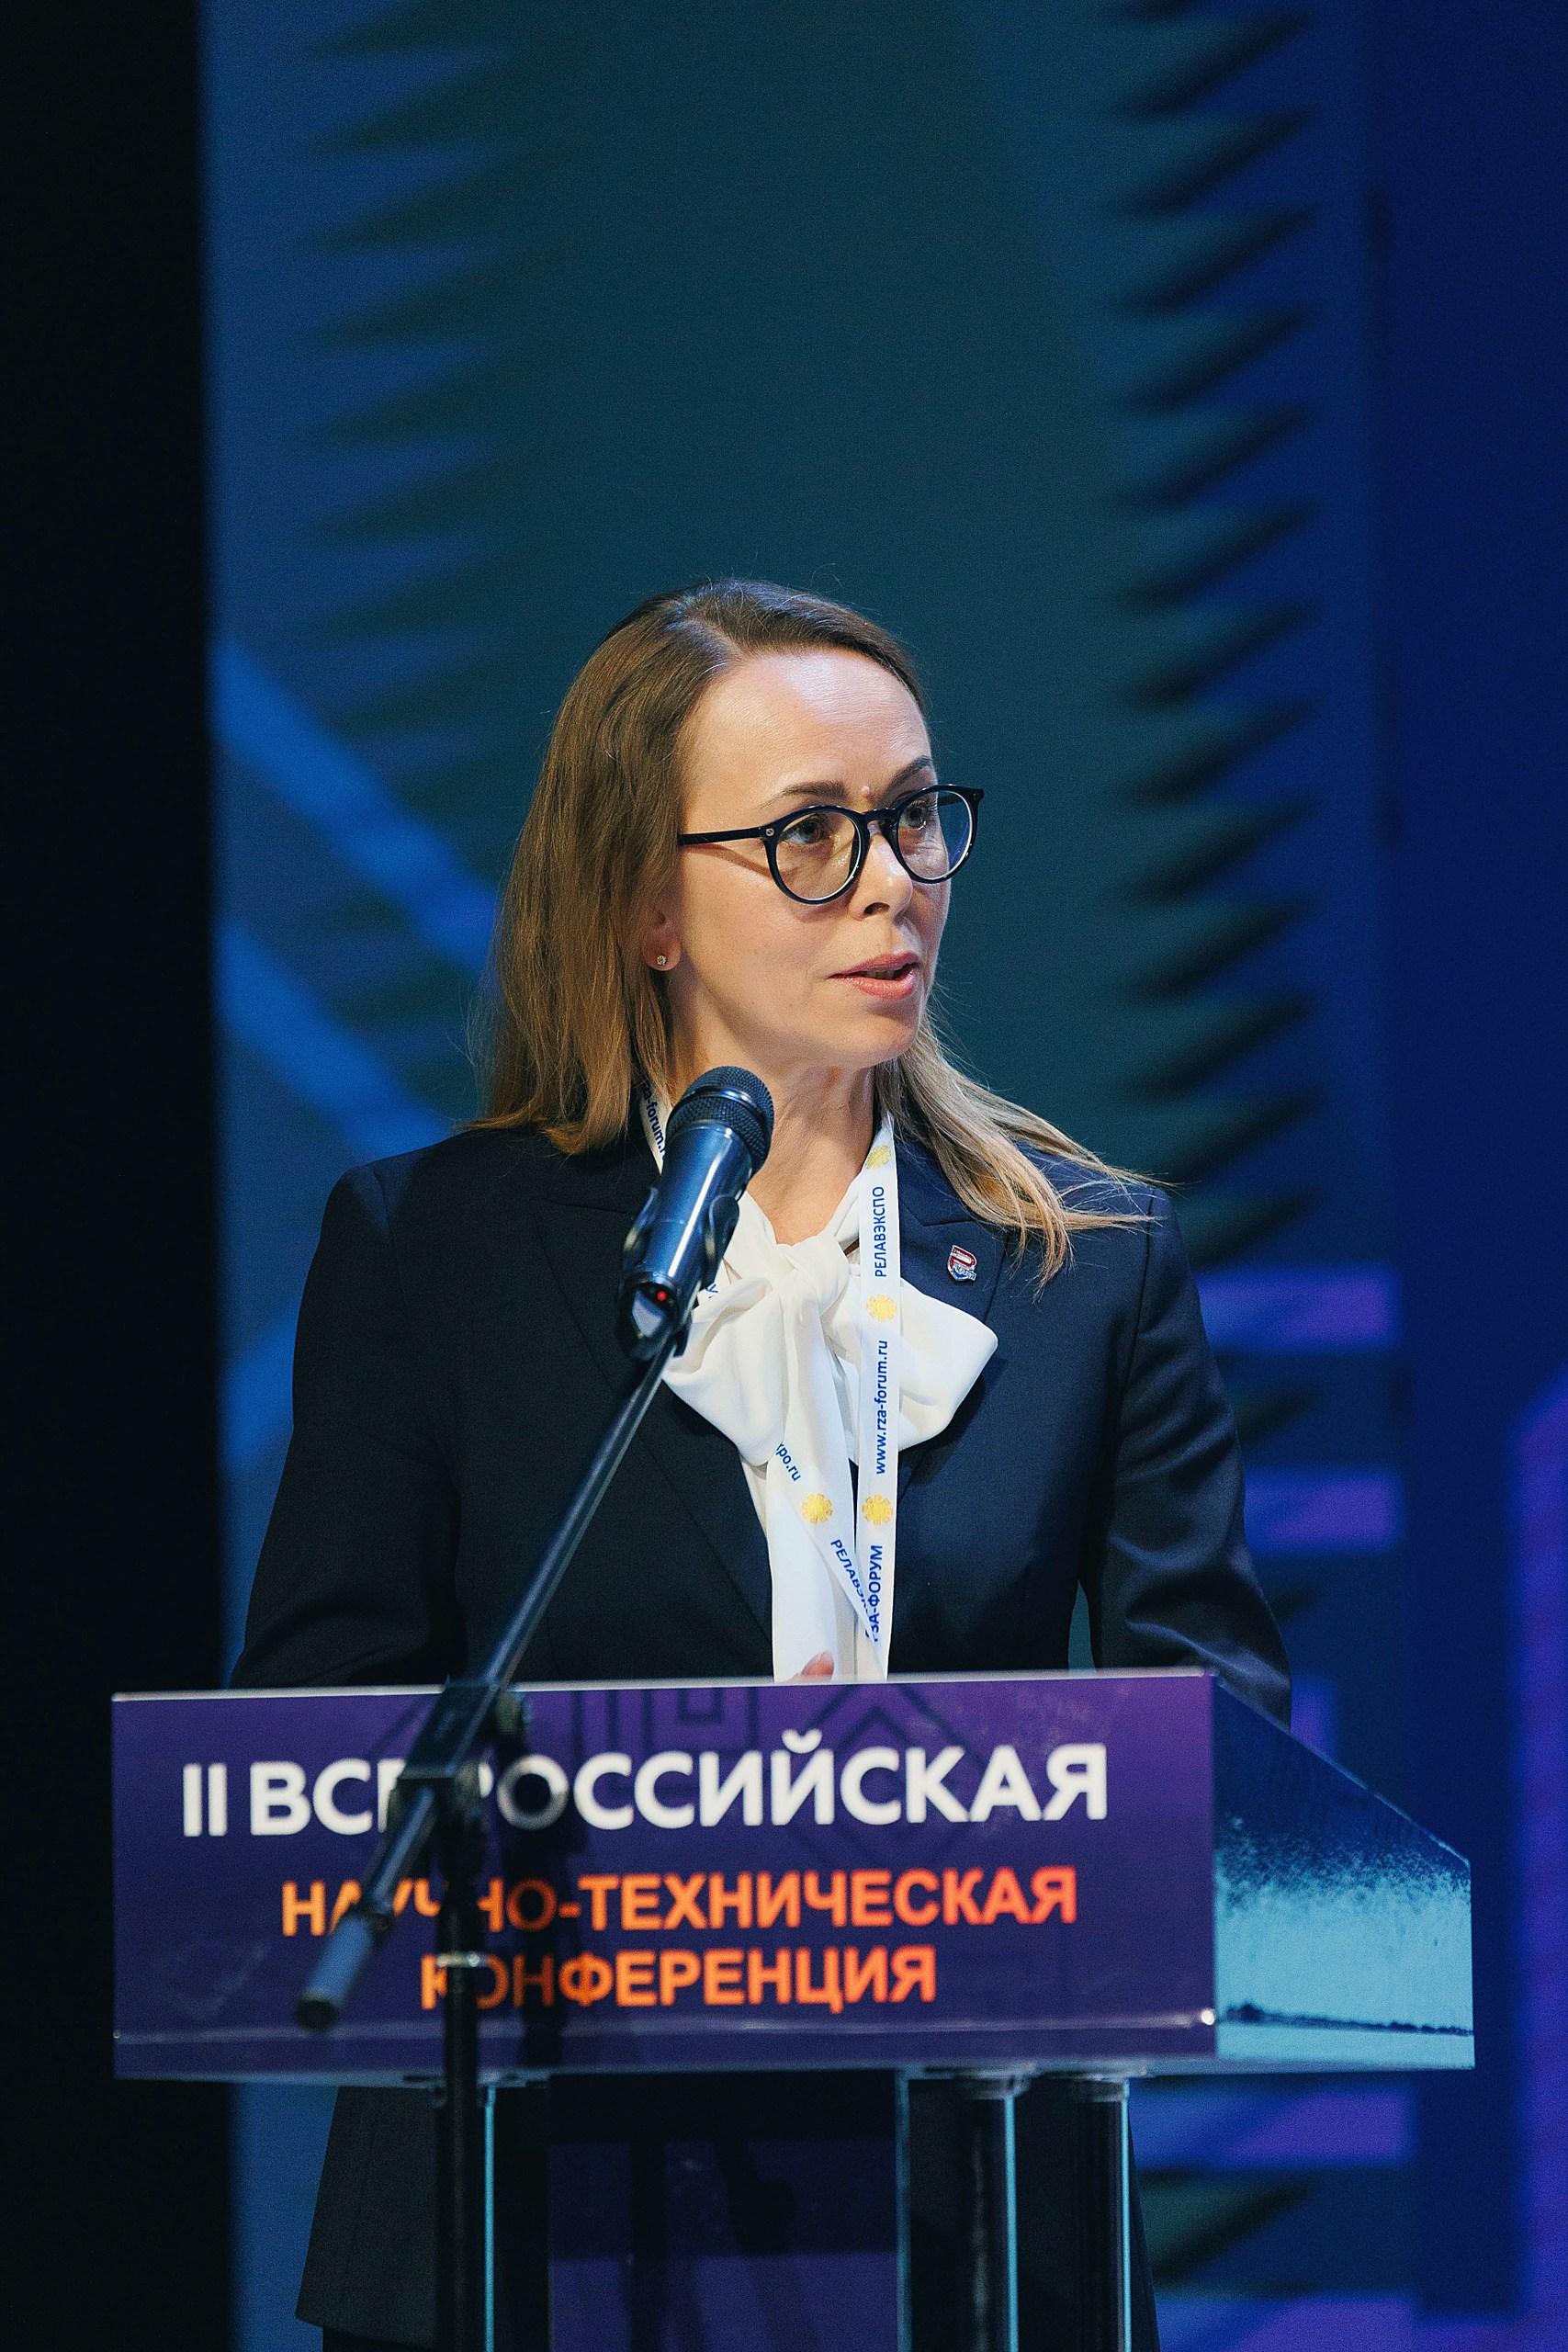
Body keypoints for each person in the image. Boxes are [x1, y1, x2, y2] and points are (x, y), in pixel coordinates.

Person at [235, 579, 1290, 2350]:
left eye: (916, 818)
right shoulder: (436, 1253)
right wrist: (700, 1825)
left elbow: (1218, 1741)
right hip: (529, 2216)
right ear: (644, 905)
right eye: (811, 835)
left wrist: (919, 1812)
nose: (892, 883)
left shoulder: (1086, 1264)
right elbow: (321, 1739)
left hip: (973, 2219)